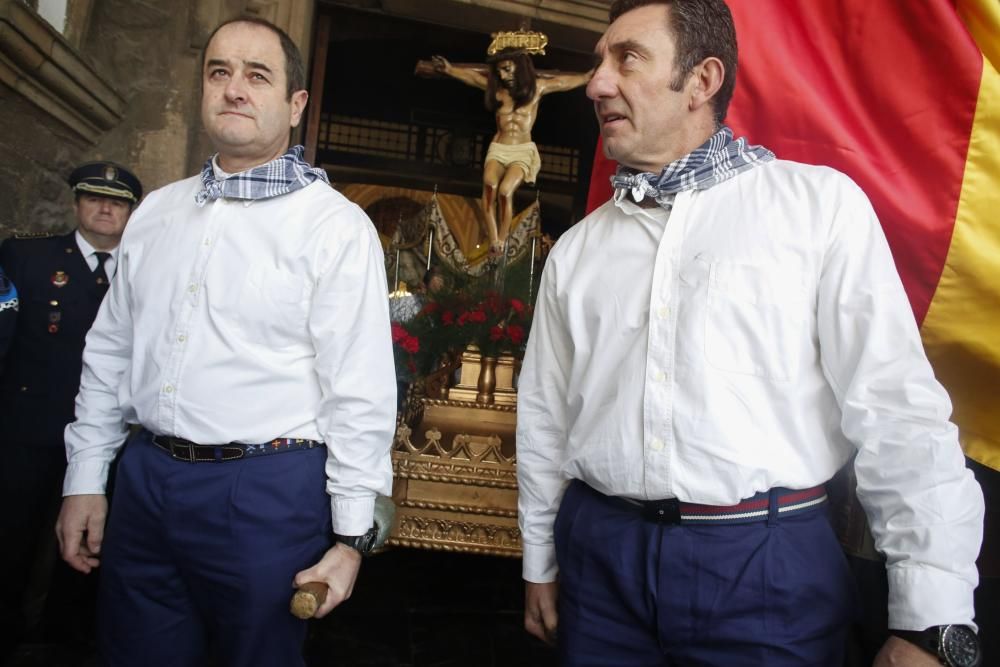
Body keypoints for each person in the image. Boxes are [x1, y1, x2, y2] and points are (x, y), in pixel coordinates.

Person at [515, 1, 984, 666]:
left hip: (766, 567)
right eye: (598, 63)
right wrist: (540, 559)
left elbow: (897, 411)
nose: (596, 84)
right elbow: (545, 421)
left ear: (702, 81)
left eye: (627, 59)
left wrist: (932, 619)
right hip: (599, 564)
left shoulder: (819, 209)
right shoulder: (578, 252)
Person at [54, 16, 396, 667]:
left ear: (296, 105)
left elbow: (360, 391)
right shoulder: (156, 211)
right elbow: (110, 352)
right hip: (146, 479)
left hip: (265, 492)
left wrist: (351, 536)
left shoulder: (335, 227)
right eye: (219, 72)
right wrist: (86, 477)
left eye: (257, 75)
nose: (234, 88)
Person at [0, 161, 141, 656]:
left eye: (118, 201)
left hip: (110, 441)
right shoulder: (26, 257)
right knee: (11, 543)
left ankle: (65, 643)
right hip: (29, 432)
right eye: (94, 198)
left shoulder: (146, 271)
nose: (106, 208)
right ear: (76, 203)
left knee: (87, 554)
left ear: (132, 211)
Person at [431, 50, 590, 254]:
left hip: (522, 151)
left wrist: (586, 77)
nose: (504, 76)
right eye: (500, 72)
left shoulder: (536, 88)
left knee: (506, 191)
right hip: (499, 148)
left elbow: (561, 83)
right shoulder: (498, 92)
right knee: (489, 185)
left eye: (507, 69)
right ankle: (493, 237)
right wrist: (450, 69)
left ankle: (502, 239)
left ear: (520, 67)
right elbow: (473, 78)